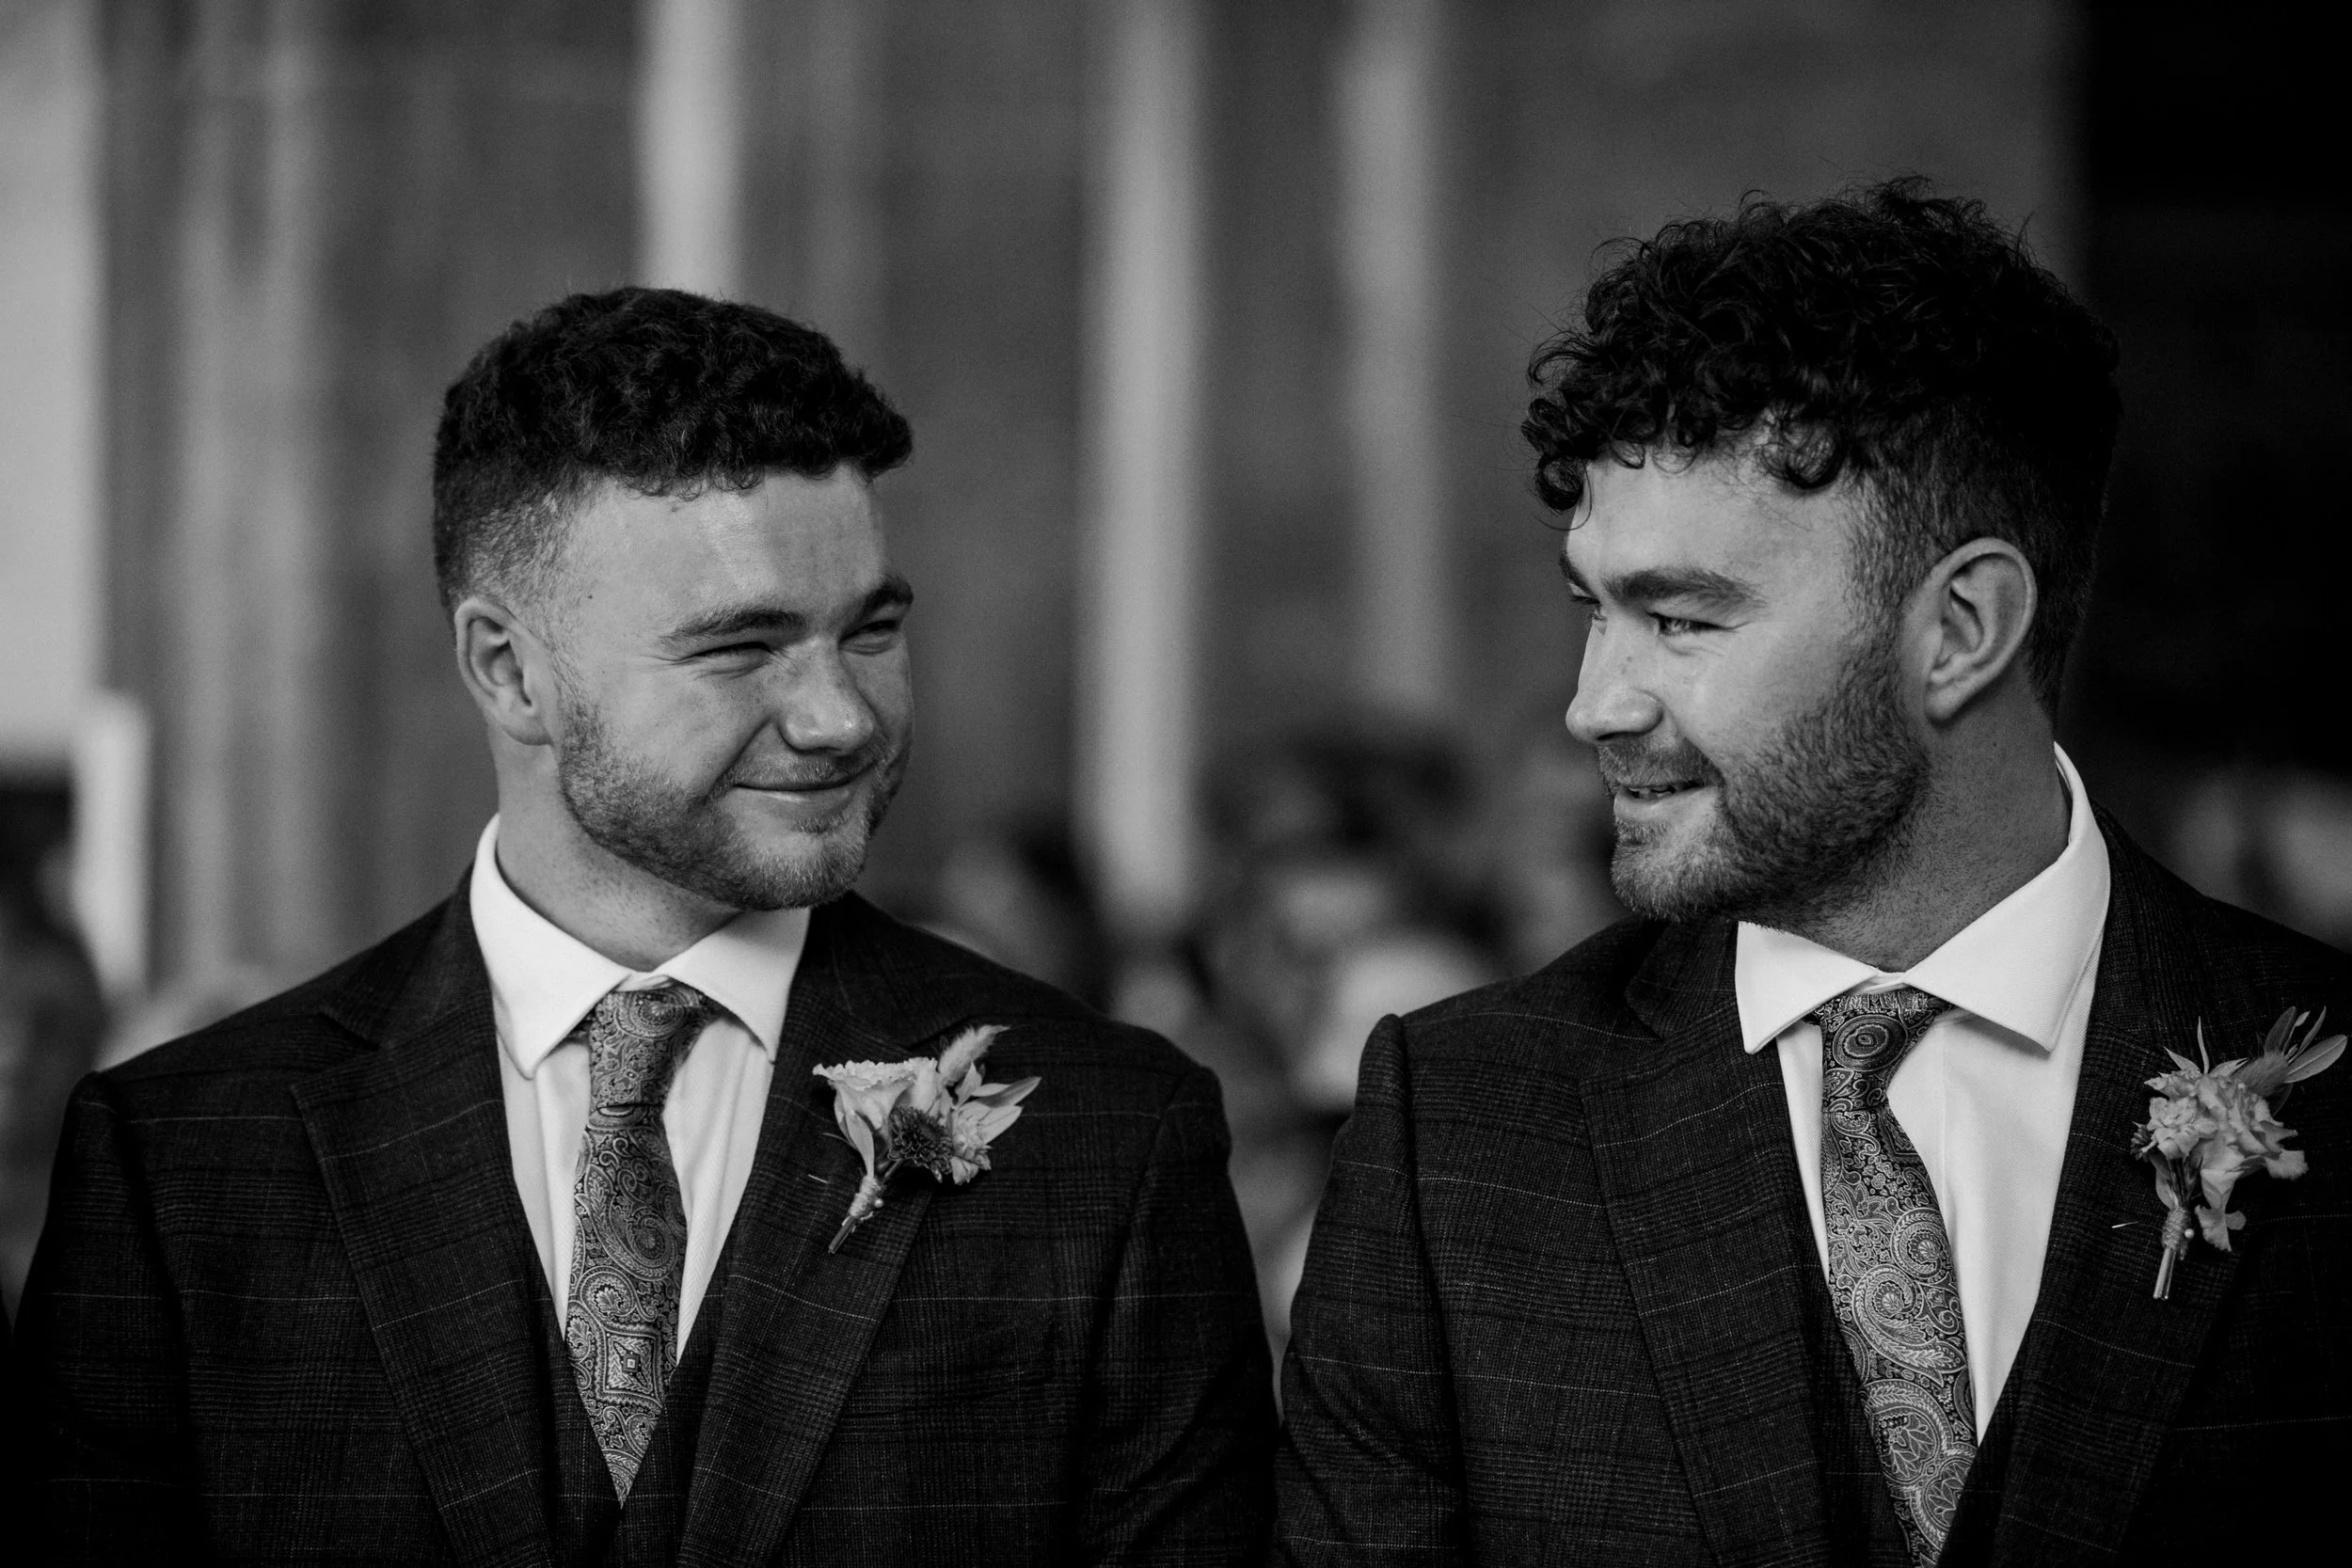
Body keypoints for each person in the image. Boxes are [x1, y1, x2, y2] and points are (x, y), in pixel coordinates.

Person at [17, 288, 1275, 1563]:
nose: (840, 715)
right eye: (743, 647)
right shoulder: (183, 1159)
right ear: (509, 670)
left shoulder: (1108, 1140)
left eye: (872, 629)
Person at [1274, 182, 2350, 1562]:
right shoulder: (1462, 1136)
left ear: (1962, 628)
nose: (1595, 702)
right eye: (1593, 610)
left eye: (1678, 616)